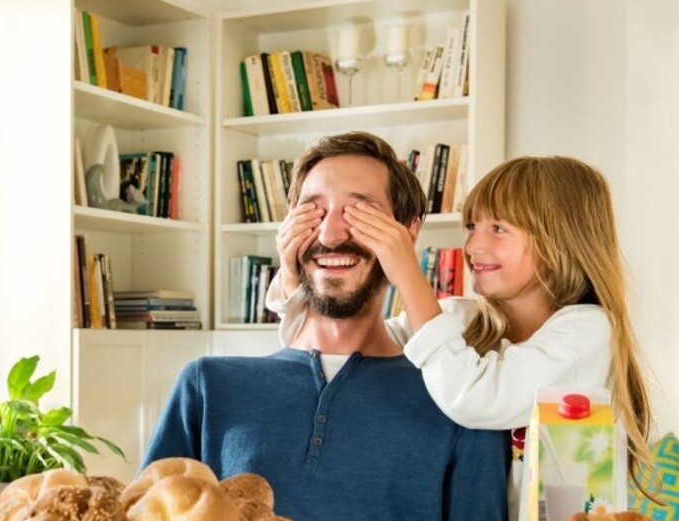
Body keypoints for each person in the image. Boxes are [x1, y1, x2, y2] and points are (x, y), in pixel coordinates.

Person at [143, 132, 510, 521]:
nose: (331, 234)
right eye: (314, 210)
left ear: (408, 232)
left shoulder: (462, 403)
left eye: (361, 212)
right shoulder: (208, 385)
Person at [266, 155, 656, 489]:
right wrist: (292, 272)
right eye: (471, 227)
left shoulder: (586, 332)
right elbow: (345, 345)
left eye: (498, 229)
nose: (473, 246)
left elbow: (476, 397)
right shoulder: (463, 320)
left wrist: (408, 275)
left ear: (561, 241)